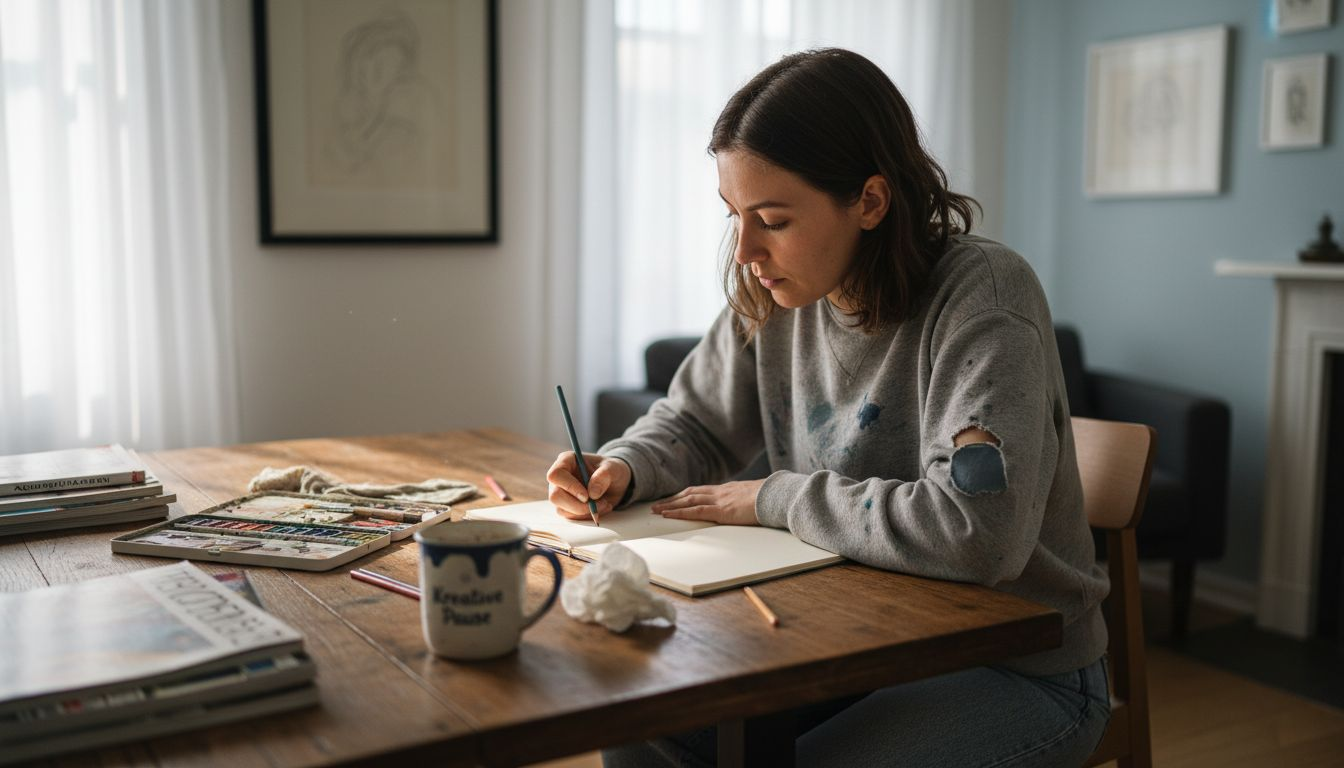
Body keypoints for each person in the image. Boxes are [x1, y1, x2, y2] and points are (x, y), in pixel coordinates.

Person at [546, 48, 1110, 767]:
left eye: (773, 219)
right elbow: (693, 421)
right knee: (636, 720)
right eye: (734, 215)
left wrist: (775, 497)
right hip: (844, 642)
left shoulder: (984, 298)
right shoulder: (775, 294)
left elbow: (978, 532)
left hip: (1023, 668)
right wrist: (622, 466)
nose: (746, 248)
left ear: (870, 202)